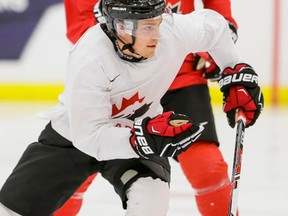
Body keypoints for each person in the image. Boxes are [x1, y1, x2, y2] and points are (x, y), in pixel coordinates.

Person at [0, 0, 264, 215]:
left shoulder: (169, 31)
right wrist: (145, 137)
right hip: (84, 129)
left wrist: (233, 69)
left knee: (156, 195)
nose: (158, 35)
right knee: (14, 208)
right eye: (148, 26)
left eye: (158, 22)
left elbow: (213, 26)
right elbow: (90, 136)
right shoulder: (90, 57)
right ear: (120, 28)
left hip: (152, 107)